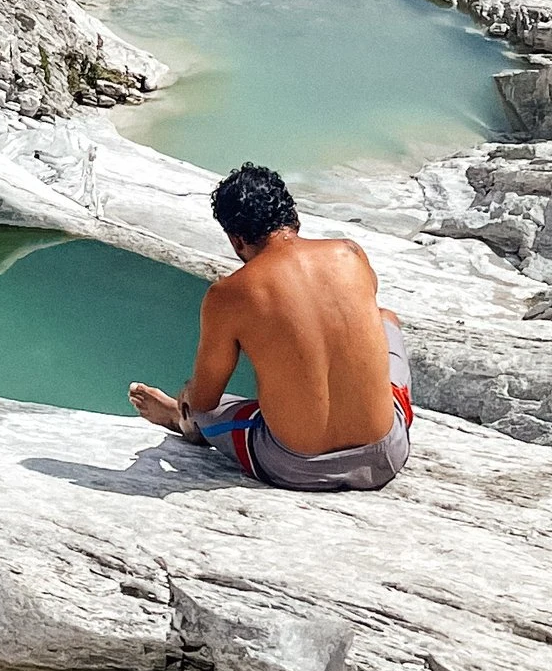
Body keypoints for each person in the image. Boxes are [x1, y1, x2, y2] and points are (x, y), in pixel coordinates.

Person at [127, 163, 414, 492]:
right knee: (386, 318)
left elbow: (206, 399)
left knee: (199, 407)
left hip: (297, 466)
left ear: (237, 241)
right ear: (294, 219)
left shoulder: (227, 295)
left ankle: (179, 418)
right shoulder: (349, 253)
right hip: (385, 455)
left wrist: (189, 395)